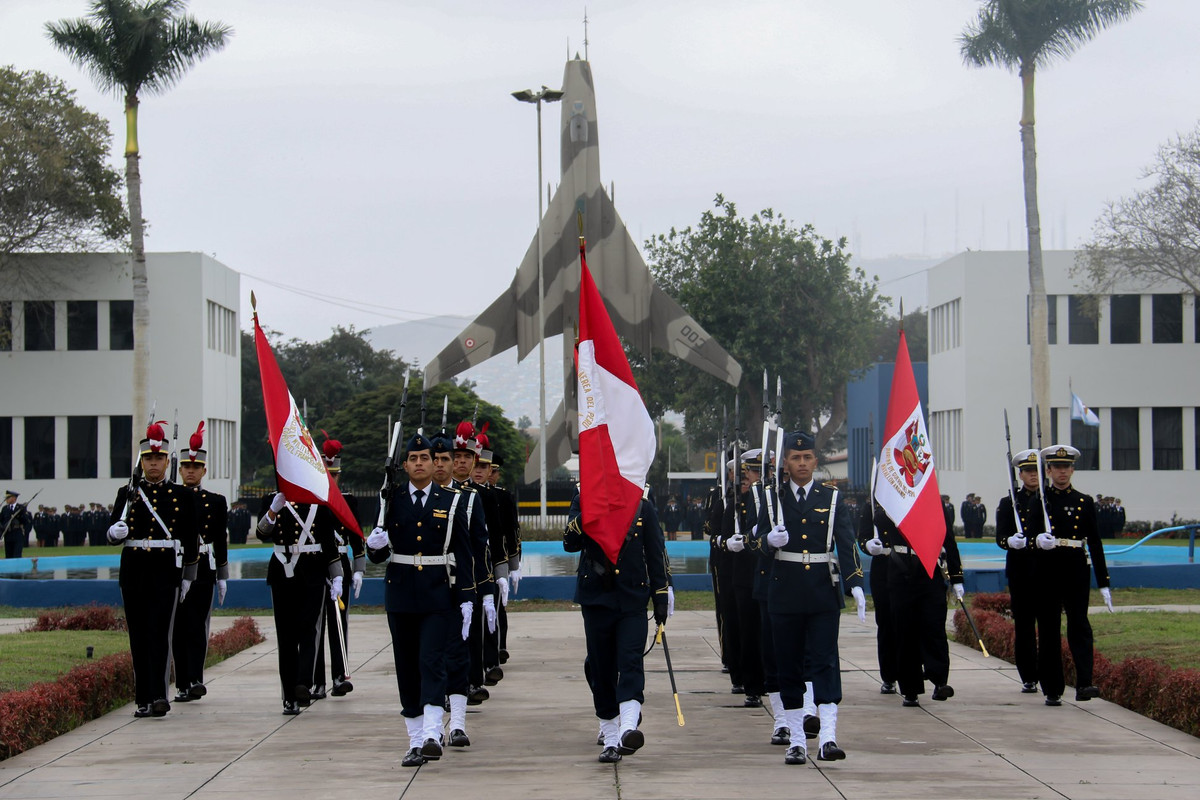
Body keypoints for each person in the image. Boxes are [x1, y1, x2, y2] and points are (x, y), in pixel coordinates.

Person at [750, 431, 865, 765]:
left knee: (825, 663)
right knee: (788, 665)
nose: (802, 463)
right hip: (784, 592)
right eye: (796, 458)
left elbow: (846, 542)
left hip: (821, 592)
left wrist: (855, 582)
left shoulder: (831, 498)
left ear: (816, 460)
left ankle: (828, 737)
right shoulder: (773, 499)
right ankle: (797, 740)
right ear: (785, 462)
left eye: (807, 457)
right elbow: (756, 545)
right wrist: (768, 541)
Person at [366, 433, 475, 767]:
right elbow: (378, 555)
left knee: (431, 661)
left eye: (424, 458)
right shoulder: (390, 499)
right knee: (407, 667)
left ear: (433, 463)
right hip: (400, 592)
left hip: (437, 592)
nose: (419, 463)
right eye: (412, 459)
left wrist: (467, 597)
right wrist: (374, 544)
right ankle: (415, 739)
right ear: (404, 465)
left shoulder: (450, 500)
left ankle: (431, 733)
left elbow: (463, 552)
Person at [564, 485, 669, 764]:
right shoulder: (582, 498)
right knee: (601, 667)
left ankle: (628, 729)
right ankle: (609, 737)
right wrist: (590, 510)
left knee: (631, 661)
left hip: (632, 598)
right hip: (596, 597)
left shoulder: (641, 505)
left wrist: (661, 594)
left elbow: (655, 550)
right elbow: (569, 542)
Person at [106, 423, 199, 717]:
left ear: (167, 461)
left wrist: (188, 576)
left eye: (158, 459)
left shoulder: (181, 495)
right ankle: (143, 698)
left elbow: (190, 538)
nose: (153, 464)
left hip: (164, 571)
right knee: (138, 636)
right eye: (148, 459)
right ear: (142, 461)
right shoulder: (128, 493)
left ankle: (159, 695)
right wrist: (115, 532)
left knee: (160, 633)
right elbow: (108, 535)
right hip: (134, 569)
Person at [256, 480, 344, 715]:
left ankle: (303, 683)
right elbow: (262, 533)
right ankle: (289, 697)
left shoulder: (318, 504)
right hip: (282, 572)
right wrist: (273, 510)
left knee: (309, 630)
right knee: (286, 637)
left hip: (312, 572)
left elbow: (328, 542)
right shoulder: (272, 500)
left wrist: (337, 575)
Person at [867, 493, 963, 707]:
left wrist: (957, 578)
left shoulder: (932, 499)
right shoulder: (889, 499)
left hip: (929, 568)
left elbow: (948, 537)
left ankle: (939, 680)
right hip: (900, 569)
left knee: (934, 626)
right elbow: (879, 522)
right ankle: (910, 689)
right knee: (905, 630)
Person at [1035, 445, 1111, 706]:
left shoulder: (1084, 501)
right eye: (1057, 467)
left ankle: (1084, 683)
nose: (1062, 472)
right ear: (1049, 470)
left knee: (1079, 625)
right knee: (1049, 629)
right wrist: (1037, 541)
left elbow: (1096, 543)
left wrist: (1104, 582)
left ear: (1073, 469)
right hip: (1048, 568)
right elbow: (1026, 537)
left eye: (1066, 467)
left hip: (1075, 566)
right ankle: (1052, 687)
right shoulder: (1040, 501)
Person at [434, 423, 495, 746]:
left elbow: (478, 545)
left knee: (461, 648)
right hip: (429, 584)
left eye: (459, 457)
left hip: (461, 582)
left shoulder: (471, 499)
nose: (453, 463)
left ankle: (458, 711)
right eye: (447, 457)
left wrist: (484, 589)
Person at [172, 422, 229, 703]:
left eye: (196, 468)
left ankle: (195, 678)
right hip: (176, 566)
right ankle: (182, 681)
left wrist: (222, 574)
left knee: (197, 626)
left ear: (203, 471)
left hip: (204, 567)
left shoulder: (216, 501)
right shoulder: (171, 498)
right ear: (180, 470)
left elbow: (220, 538)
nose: (191, 471)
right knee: (179, 627)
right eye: (186, 467)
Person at [312, 435, 364, 699]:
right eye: (326, 474)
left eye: (334, 475)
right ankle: (316, 680)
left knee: (338, 622)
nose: (331, 479)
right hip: (316, 562)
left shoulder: (348, 501)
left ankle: (339, 676)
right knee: (315, 624)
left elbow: (357, 536)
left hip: (340, 563)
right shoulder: (312, 500)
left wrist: (359, 568)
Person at [995, 448, 1043, 694]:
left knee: (1047, 625)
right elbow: (1000, 537)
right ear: (1020, 474)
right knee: (1024, 626)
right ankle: (1028, 675)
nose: (1033, 475)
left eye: (1037, 470)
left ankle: (1046, 672)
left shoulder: (1048, 501)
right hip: (1021, 570)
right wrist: (1009, 541)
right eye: (1028, 471)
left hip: (1045, 570)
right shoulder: (1010, 502)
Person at [721, 449, 765, 710]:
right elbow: (726, 536)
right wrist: (733, 542)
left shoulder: (774, 500)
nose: (755, 476)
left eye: (760, 471)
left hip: (772, 575)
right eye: (752, 471)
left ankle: (771, 679)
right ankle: (752, 686)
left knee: (769, 635)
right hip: (745, 575)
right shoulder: (738, 502)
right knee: (748, 634)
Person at [856, 498, 899, 696]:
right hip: (883, 565)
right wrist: (868, 545)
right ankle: (889, 676)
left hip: (908, 565)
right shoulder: (873, 505)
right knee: (886, 623)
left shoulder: (908, 499)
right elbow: (863, 536)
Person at [2, 490, 33, 558]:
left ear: (14, 498)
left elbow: (26, 521)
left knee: (17, 554)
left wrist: (21, 513)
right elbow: (2, 521)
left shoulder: (20, 508)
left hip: (17, 533)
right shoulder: (5, 509)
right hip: (8, 533)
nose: (6, 499)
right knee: (8, 554)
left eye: (8, 498)